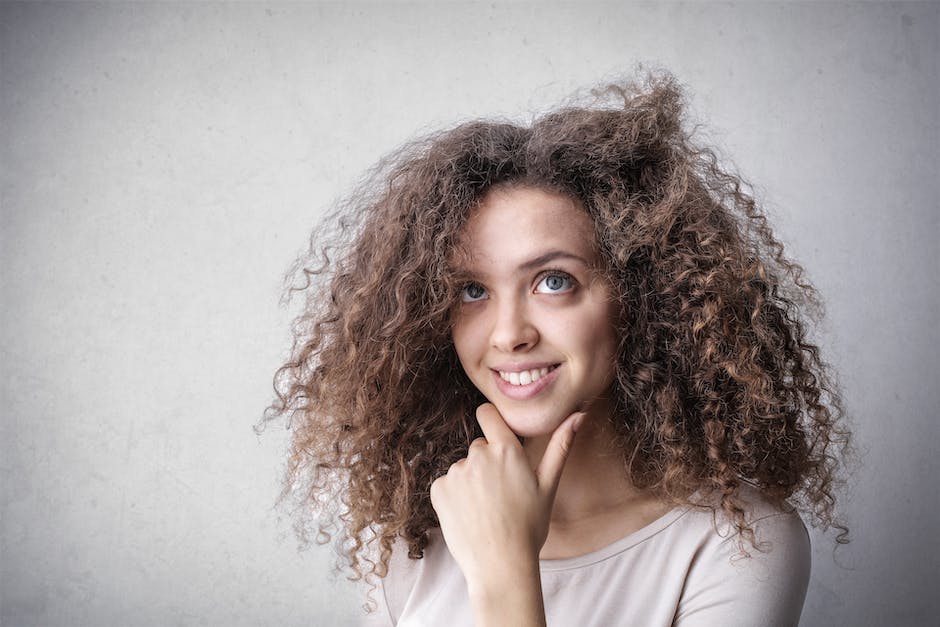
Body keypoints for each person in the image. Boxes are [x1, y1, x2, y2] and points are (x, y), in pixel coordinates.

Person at [265, 73, 849, 626]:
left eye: (553, 281)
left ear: (641, 295)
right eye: (472, 290)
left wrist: (504, 574)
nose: (507, 333)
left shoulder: (737, 545)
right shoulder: (414, 534)